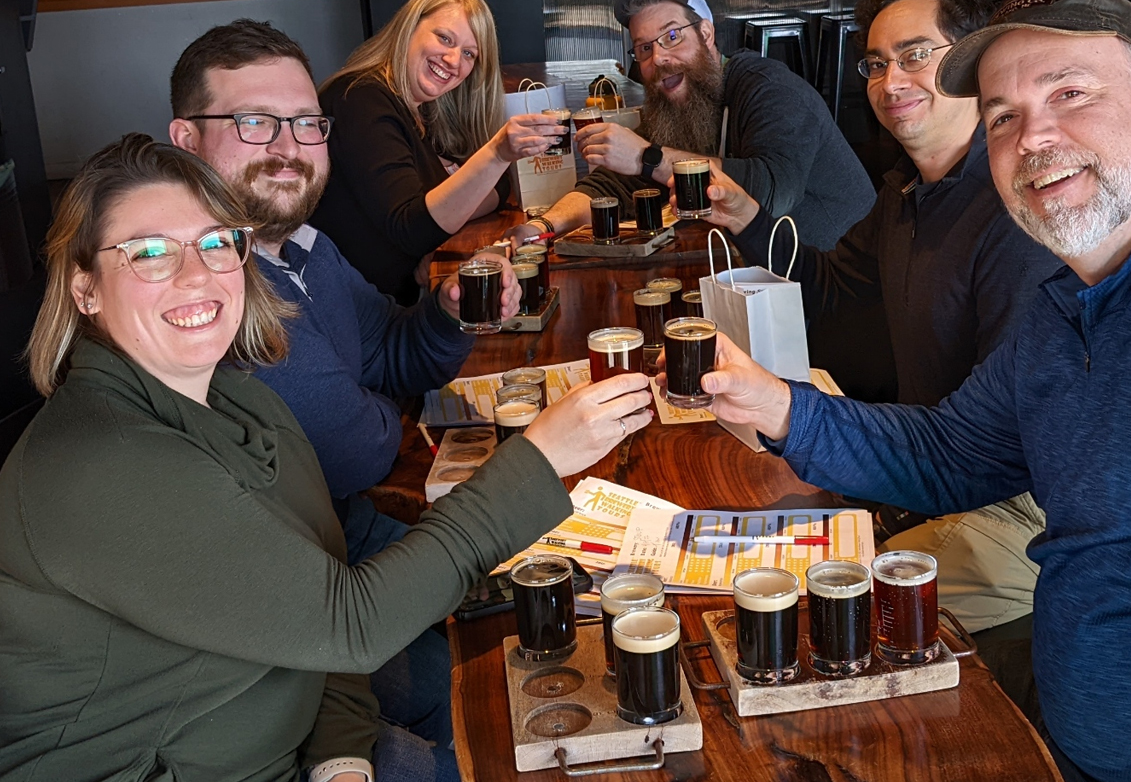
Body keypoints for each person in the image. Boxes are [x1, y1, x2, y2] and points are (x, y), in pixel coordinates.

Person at [0, 133, 654, 782]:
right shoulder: (100, 463)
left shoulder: (241, 401)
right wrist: (539, 456)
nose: (196, 275)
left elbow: (323, 606)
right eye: (149, 252)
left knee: (541, 685)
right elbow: (349, 623)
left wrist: (340, 757)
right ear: (85, 288)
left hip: (294, 720)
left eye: (215, 242)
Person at [685, 0, 1131, 782]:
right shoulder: (1072, 300)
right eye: (1003, 117)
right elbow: (954, 450)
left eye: (1069, 93)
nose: (1035, 138)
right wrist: (782, 408)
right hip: (1066, 735)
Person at [167, 19, 508, 779]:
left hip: (341, 533)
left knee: (517, 605)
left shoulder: (303, 246)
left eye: (304, 123)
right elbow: (353, 444)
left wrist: (447, 310)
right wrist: (382, 409)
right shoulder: (198, 283)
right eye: (253, 122)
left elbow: (392, 349)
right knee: (476, 689)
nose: (287, 145)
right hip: (273, 603)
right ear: (186, 140)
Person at [698, 0, 1062, 637]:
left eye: (916, 55)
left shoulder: (1015, 216)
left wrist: (803, 421)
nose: (891, 79)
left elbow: (996, 447)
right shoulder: (902, 194)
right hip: (934, 467)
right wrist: (751, 220)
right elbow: (831, 296)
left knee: (817, 608)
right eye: (875, 63)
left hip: (1021, 504)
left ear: (975, 63)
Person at [506, 0, 875, 250]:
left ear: (707, 34)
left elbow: (772, 192)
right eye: (644, 48)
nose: (659, 59)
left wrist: (645, 156)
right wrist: (543, 226)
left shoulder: (770, 88)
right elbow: (613, 186)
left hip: (840, 278)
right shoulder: (673, 103)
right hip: (757, 270)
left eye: (672, 37)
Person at [314, 0, 565, 304]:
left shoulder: (423, 111)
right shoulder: (361, 98)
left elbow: (497, 189)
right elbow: (414, 228)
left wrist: (445, 210)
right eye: (444, 38)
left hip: (403, 298)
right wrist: (496, 153)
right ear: (410, 26)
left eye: (469, 54)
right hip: (367, 312)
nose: (453, 60)